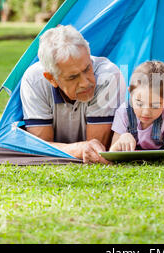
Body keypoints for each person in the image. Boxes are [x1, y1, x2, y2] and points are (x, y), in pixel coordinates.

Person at [20, 25, 126, 164]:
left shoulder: (108, 75)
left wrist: (78, 149)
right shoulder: (34, 80)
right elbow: (41, 146)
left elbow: (97, 150)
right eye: (72, 77)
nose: (85, 83)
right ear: (51, 78)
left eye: (87, 68)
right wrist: (79, 149)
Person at [110, 61, 164, 162]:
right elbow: (111, 155)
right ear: (130, 93)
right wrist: (121, 140)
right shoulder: (124, 112)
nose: (146, 112)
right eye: (139, 103)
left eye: (155, 105)